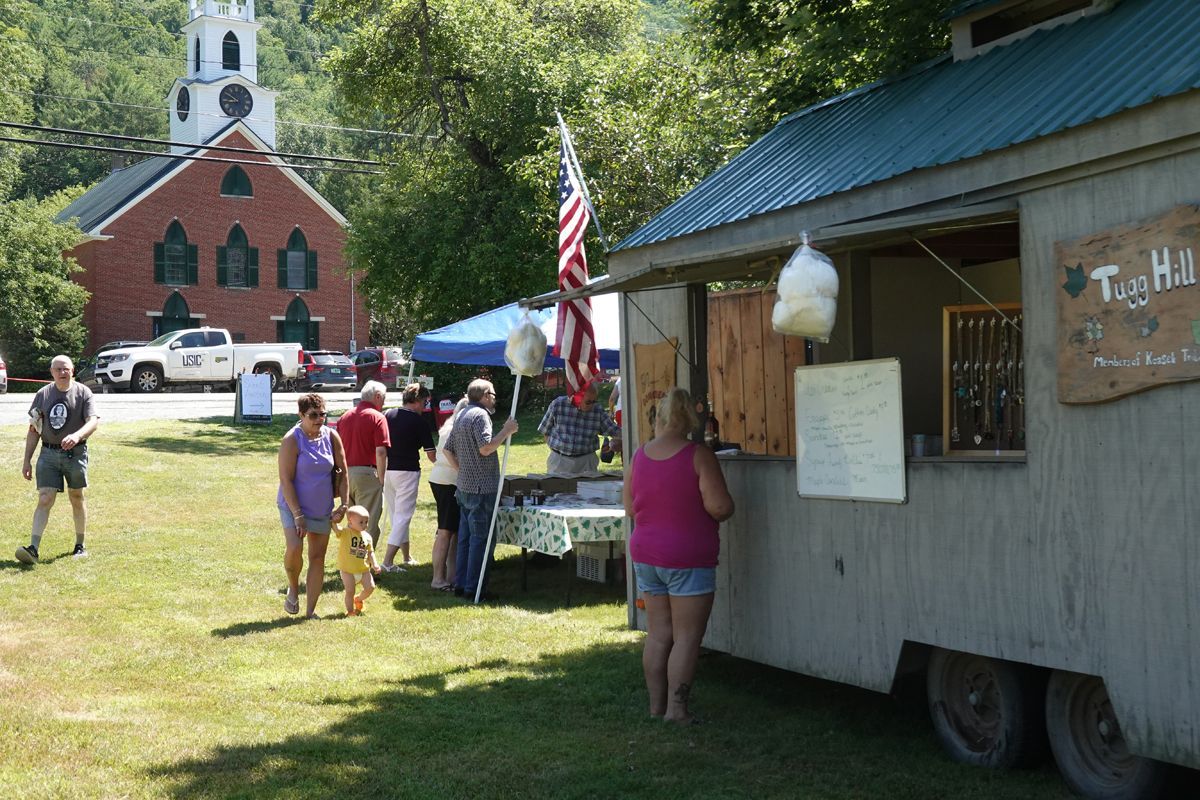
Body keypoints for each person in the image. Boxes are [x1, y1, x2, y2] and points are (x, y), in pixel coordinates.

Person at [625, 387, 734, 724]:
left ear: (658, 417)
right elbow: (719, 507)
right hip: (688, 558)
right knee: (687, 637)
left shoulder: (639, 456)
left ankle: (656, 707)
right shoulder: (699, 456)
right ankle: (677, 710)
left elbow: (630, 508)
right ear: (690, 419)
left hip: (646, 554)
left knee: (659, 634)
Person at [16, 355, 100, 564]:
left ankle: (80, 545)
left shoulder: (83, 392)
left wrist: (77, 436)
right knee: (45, 498)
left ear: (72, 371)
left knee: (76, 497)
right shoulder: (42, 394)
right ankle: (33, 549)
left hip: (76, 453)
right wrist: (27, 460)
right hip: (48, 453)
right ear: (52, 372)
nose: (62, 372)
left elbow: (93, 421)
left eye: (66, 369)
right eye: (58, 369)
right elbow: (34, 429)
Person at [443, 378, 518, 602]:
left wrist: (463, 471)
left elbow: (447, 450)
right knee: (481, 540)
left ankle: (461, 584)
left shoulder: (462, 414)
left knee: (466, 539)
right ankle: (475, 589)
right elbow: (485, 448)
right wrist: (506, 431)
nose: (494, 399)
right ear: (485, 395)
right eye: (492, 395)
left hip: (465, 487)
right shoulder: (480, 415)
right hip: (481, 489)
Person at [278, 393, 350, 618]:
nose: (319, 419)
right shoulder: (292, 439)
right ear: (301, 415)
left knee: (317, 557)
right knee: (294, 547)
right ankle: (293, 588)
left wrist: (344, 504)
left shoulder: (331, 436)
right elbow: (286, 480)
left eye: (322, 414)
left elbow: (342, 471)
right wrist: (298, 515)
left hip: (321, 507)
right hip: (293, 505)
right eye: (313, 415)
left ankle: (310, 611)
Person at [380, 383, 436, 571]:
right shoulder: (420, 422)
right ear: (418, 400)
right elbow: (431, 454)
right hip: (408, 471)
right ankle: (388, 562)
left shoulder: (388, 414)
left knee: (397, 515)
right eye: (425, 402)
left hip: (388, 470)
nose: (425, 407)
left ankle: (406, 556)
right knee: (402, 517)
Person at [336, 380, 389, 544]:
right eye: (384, 397)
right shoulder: (377, 417)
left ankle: (350, 555)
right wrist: (382, 479)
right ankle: (365, 557)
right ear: (377, 396)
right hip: (367, 474)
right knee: (368, 522)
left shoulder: (344, 417)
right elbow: (381, 452)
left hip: (346, 475)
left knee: (352, 521)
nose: (384, 402)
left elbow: (337, 449)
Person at [537, 378, 621, 476]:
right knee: (557, 485)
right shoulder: (558, 404)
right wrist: (558, 450)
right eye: (588, 402)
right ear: (577, 397)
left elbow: (615, 431)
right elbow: (545, 431)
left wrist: (617, 441)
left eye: (594, 401)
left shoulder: (597, 410)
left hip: (586, 462)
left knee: (587, 486)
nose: (592, 405)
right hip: (560, 461)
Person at [428, 397, 468, 591]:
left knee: (453, 531)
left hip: (442, 479)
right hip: (448, 482)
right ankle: (438, 578)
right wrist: (461, 471)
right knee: (445, 532)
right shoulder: (455, 428)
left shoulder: (449, 425)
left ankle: (452, 576)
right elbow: (448, 451)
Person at [332, 505, 381, 616]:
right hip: (347, 570)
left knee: (370, 587)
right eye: (361, 522)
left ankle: (358, 599)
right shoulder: (346, 532)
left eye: (366, 522)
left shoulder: (367, 537)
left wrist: (375, 564)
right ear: (350, 521)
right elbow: (336, 528)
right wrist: (333, 521)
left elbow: (370, 552)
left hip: (364, 570)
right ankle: (350, 611)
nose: (364, 525)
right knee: (350, 591)